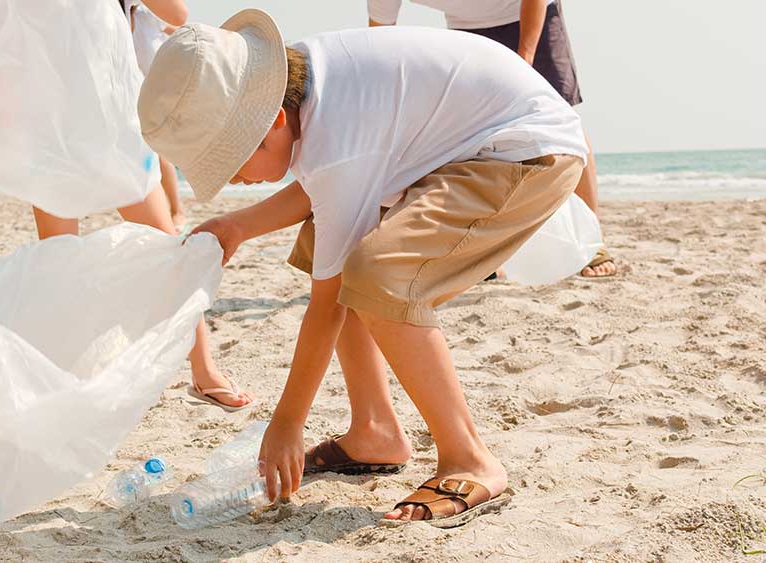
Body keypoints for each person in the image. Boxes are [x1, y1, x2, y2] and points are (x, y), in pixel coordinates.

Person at [138, 10, 587, 524]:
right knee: (328, 244)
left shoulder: (335, 130)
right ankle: (374, 429)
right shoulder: (300, 84)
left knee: (380, 272)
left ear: (273, 121)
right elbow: (324, 183)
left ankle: (471, 458)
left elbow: (327, 294)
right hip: (458, 149)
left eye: (231, 161)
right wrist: (237, 226)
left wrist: (288, 421)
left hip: (525, 151)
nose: (234, 179)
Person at [32, 0, 251, 412]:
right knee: (64, 261)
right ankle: (201, 373)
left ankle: (203, 372)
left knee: (160, 250)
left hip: (89, 121)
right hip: (66, 122)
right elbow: (177, 13)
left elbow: (175, 15)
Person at [368, 0, 616, 277]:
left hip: (529, 13)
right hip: (467, 31)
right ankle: (486, 257)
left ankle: (593, 246)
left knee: (560, 117)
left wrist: (524, 59)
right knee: (476, 132)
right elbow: (380, 45)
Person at [122, 0, 188, 229]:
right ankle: (170, 213)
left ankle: (177, 211)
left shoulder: (147, 18)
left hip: (152, 91)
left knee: (158, 153)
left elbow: (179, 23)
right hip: (129, 92)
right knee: (145, 156)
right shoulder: (113, 16)